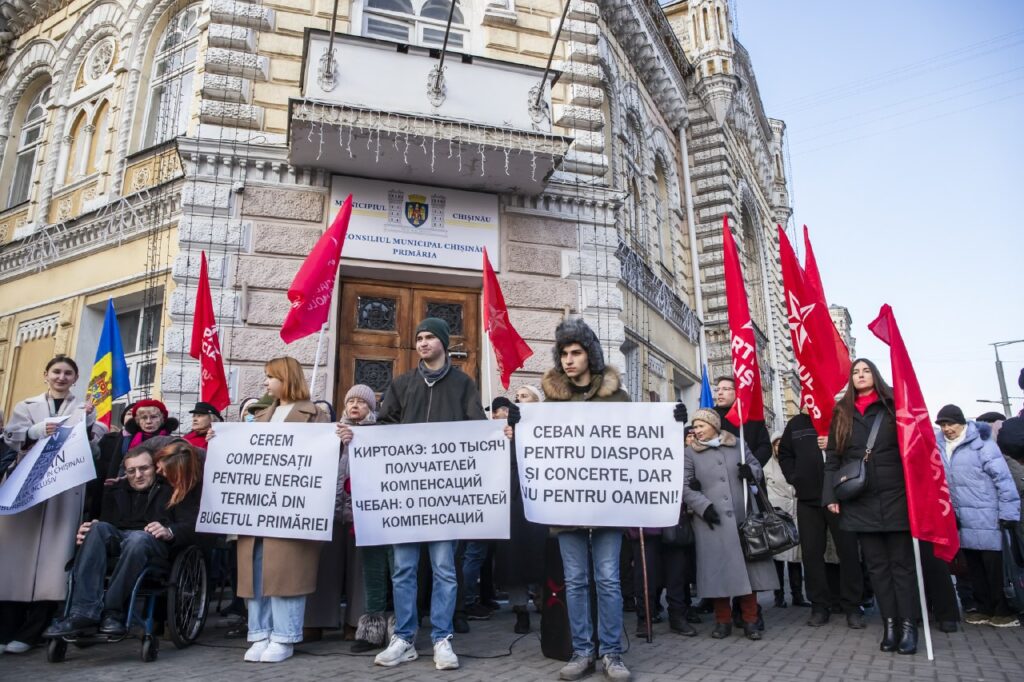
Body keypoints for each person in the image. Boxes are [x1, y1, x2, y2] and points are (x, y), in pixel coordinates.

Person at [340, 317, 485, 671]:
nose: (421, 343)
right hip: (406, 496)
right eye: (418, 338)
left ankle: (442, 638)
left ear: (442, 343)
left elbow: (478, 431)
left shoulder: (464, 384)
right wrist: (356, 435)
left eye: (429, 337)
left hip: (445, 495)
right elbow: (384, 427)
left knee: (444, 569)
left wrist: (502, 434)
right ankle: (404, 637)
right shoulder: (402, 383)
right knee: (403, 568)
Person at [507, 317, 632, 681]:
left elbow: (638, 443)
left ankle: (611, 652)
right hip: (567, 508)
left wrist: (672, 424)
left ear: (589, 355)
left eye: (576, 352)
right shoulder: (549, 404)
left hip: (608, 505)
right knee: (575, 581)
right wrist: (521, 425)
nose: (569, 360)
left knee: (607, 580)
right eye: (563, 354)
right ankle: (582, 650)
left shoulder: (618, 397)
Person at [0, 355, 107, 653]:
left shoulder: (84, 409)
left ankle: (33, 630)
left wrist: (87, 424)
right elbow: (10, 435)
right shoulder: (27, 405)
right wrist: (33, 432)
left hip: (64, 491)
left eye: (68, 373)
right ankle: (6, 628)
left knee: (53, 563)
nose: (61, 377)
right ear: (46, 374)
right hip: (26, 489)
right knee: (14, 560)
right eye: (56, 372)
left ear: (75, 378)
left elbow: (93, 450)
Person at [42, 440, 201, 638]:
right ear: (124, 471)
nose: (138, 475)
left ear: (155, 467)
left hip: (152, 544)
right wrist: (90, 528)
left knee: (138, 539)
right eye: (132, 470)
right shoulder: (115, 488)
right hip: (119, 538)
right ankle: (83, 612)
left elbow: (191, 525)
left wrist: (169, 530)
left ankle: (113, 611)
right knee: (97, 529)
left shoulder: (173, 488)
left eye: (144, 468)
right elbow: (107, 523)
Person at [823, 358, 919, 654]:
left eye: (866, 371)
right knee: (877, 567)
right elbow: (833, 460)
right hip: (860, 499)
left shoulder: (894, 405)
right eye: (855, 372)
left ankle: (908, 626)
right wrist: (831, 496)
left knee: (901, 567)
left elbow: (914, 449)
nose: (860, 375)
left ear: (875, 376)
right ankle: (890, 625)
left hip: (897, 497)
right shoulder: (842, 412)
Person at [237, 356, 330, 664]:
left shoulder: (314, 415)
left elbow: (322, 461)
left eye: (270, 376)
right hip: (257, 508)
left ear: (286, 378)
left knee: (285, 573)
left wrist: (340, 440)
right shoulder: (260, 415)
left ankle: (284, 636)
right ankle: (259, 632)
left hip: (292, 510)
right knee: (257, 571)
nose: (265, 383)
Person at [683, 408, 778, 641]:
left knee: (749, 572)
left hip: (742, 517)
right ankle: (722, 621)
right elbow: (683, 485)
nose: (696, 431)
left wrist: (751, 472)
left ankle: (750, 620)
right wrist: (703, 506)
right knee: (717, 572)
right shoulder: (689, 453)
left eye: (701, 426)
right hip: (710, 521)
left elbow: (756, 466)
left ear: (714, 426)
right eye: (694, 427)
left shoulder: (737, 444)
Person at [935, 404, 1020, 627]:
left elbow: (1003, 480)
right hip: (961, 517)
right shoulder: (939, 447)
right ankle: (982, 609)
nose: (947, 429)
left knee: (995, 567)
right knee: (972, 567)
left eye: (950, 423)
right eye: (943, 424)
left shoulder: (983, 445)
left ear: (962, 423)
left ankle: (1002, 610)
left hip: (988, 516)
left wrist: (1009, 512)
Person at [777, 411, 864, 628]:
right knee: (811, 553)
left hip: (839, 496)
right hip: (808, 498)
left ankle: (852, 606)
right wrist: (794, 477)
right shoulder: (796, 423)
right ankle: (819, 606)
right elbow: (785, 453)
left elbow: (859, 451)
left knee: (848, 552)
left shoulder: (840, 418)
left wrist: (834, 445)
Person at [765, 432, 807, 609]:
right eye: (776, 444)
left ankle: (797, 595)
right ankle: (779, 595)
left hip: (796, 513)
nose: (779, 447)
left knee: (795, 558)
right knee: (778, 558)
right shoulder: (767, 467)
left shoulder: (797, 463)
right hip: (777, 516)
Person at [712, 377, 772, 466]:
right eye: (717, 389)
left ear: (737, 392)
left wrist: (752, 467)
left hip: (748, 474)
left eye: (725, 389)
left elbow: (765, 447)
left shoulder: (752, 416)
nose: (720, 393)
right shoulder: (710, 416)